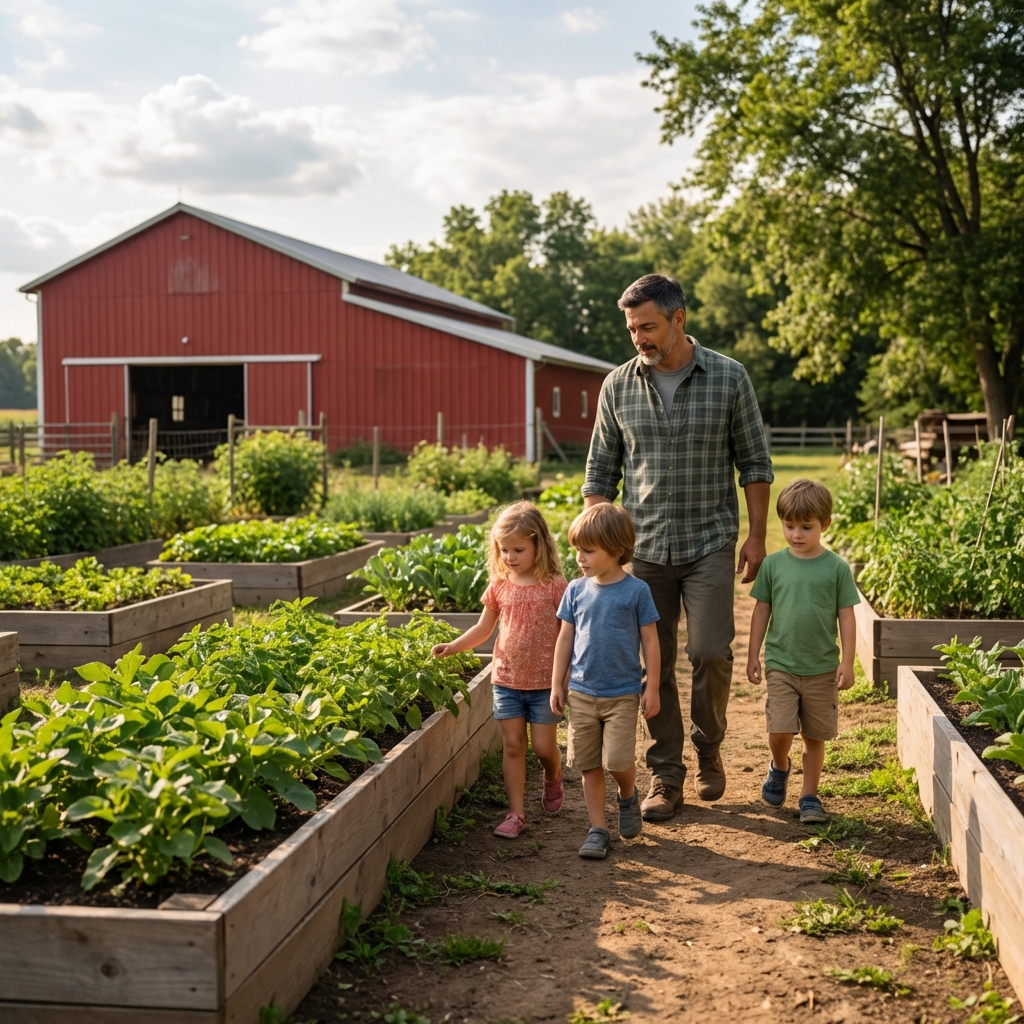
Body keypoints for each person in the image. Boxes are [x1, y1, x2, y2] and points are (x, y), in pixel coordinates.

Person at [583, 273, 773, 820]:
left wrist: (757, 535)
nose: (638, 337)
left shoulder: (729, 378)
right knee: (651, 665)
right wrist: (600, 545)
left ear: (678, 319)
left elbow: (755, 463)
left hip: (709, 539)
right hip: (639, 550)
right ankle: (666, 774)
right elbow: (601, 471)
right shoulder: (617, 385)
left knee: (710, 651)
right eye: (632, 328)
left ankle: (709, 746)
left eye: (648, 326)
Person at [432, 501, 567, 839]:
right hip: (506, 680)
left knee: (543, 750)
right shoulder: (499, 586)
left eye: (519, 549)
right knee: (512, 746)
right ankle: (516, 814)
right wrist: (454, 646)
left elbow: (570, 634)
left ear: (540, 544)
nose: (510, 557)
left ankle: (553, 775)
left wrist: (563, 680)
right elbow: (483, 629)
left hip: (544, 685)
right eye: (503, 550)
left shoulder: (555, 587)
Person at [745, 478, 860, 823]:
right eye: (789, 525)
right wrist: (754, 654)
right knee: (779, 729)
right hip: (781, 663)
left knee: (814, 736)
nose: (796, 534)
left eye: (806, 527)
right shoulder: (774, 565)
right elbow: (761, 610)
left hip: (822, 667)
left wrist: (848, 662)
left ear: (825, 525)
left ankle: (809, 796)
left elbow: (847, 615)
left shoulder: (836, 568)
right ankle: (779, 766)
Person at [550, 504, 661, 860]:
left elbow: (651, 641)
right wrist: (557, 684)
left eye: (588, 550)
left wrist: (653, 686)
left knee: (618, 762)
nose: (580, 558)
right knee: (588, 764)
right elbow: (565, 639)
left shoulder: (636, 591)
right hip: (581, 693)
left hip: (622, 694)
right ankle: (598, 829)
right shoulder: (575, 591)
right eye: (577, 549)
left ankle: (627, 795)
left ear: (616, 550)